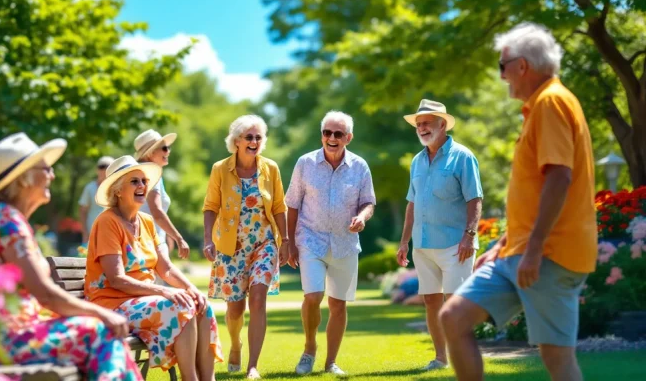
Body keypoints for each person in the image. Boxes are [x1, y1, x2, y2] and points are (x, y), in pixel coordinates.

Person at [439, 22, 597, 381]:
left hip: (550, 255)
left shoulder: (552, 102)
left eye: (502, 67)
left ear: (522, 66)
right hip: (521, 252)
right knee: (453, 318)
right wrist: (506, 244)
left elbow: (560, 177)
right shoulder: (539, 106)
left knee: (557, 359)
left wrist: (535, 247)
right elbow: (534, 189)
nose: (502, 76)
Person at [0, 133, 140, 381]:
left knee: (100, 333)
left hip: (3, 334)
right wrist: (102, 313)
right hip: (0, 341)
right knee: (100, 331)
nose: (52, 175)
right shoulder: (5, 220)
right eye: (46, 169)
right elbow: (45, 293)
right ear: (24, 178)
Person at [85, 155, 223, 381]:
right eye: (134, 181)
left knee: (201, 305)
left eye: (143, 181)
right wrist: (165, 291)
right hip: (111, 304)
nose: (142, 186)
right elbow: (117, 279)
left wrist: (192, 289)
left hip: (140, 300)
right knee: (180, 307)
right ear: (118, 191)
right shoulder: (107, 221)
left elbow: (166, 268)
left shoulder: (147, 221)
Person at [285, 111, 376, 376]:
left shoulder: (360, 166)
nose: (331, 138)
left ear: (349, 137)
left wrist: (362, 217)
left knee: (338, 305)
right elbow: (292, 204)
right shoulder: (305, 163)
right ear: (322, 135)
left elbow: (369, 201)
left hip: (345, 243)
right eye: (327, 132)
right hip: (310, 238)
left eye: (338, 134)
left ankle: (331, 362)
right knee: (312, 296)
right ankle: (309, 349)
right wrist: (288, 242)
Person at [396, 99, 483, 371]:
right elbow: (412, 203)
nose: (422, 128)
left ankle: (463, 361)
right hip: (422, 245)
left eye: (427, 123)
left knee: (456, 305)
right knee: (432, 301)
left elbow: (475, 198)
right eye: (418, 124)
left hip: (456, 245)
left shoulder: (463, 156)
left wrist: (469, 235)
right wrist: (404, 241)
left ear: (442, 125)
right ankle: (440, 358)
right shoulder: (417, 161)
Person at [202, 114, 288, 380]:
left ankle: (253, 365)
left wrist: (285, 241)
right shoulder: (220, 169)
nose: (254, 141)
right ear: (236, 141)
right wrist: (208, 238)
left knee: (259, 298)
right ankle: (235, 343)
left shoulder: (270, 168)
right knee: (235, 309)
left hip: (264, 243)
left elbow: (278, 207)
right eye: (248, 137)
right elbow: (210, 206)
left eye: (258, 137)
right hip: (231, 247)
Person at [135, 129, 189, 260]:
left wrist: (167, 234)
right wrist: (179, 238)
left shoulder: (136, 172)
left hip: (138, 241)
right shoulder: (150, 173)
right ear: (151, 152)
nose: (168, 151)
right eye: (164, 148)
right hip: (150, 242)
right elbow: (156, 211)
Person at [79, 156, 114, 244]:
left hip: (113, 234)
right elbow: (83, 211)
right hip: (93, 234)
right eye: (101, 166)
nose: (104, 169)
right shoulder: (90, 188)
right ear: (97, 169)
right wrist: (85, 233)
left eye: (107, 167)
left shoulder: (117, 189)